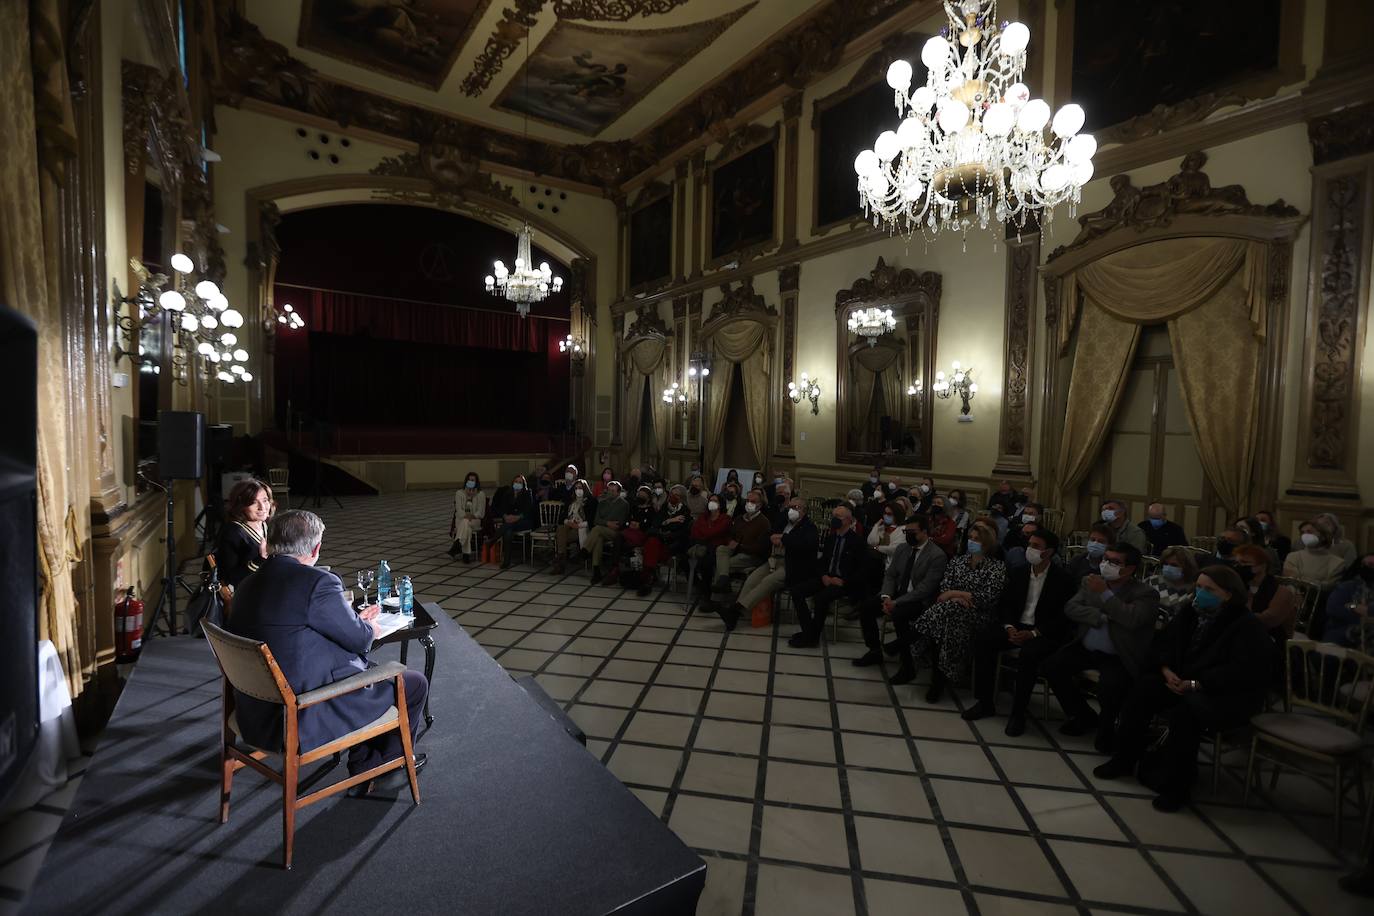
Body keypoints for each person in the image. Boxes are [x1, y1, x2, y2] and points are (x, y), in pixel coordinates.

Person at [227, 510, 428, 793]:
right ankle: (384, 766)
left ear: (270, 544)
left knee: (362, 670)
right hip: (300, 715)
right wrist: (370, 627)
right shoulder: (318, 582)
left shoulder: (246, 585)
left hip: (254, 713)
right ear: (316, 548)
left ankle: (364, 757)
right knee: (412, 683)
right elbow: (359, 639)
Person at [1093, 565, 1272, 811]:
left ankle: (1177, 787)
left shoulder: (1245, 624)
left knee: (1186, 715)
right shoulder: (1191, 611)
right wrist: (1166, 670)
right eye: (1198, 587)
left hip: (1221, 692)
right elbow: (1165, 644)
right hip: (1181, 679)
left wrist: (1197, 684)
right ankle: (1124, 758)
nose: (1201, 593)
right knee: (1143, 690)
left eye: (1209, 589)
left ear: (1228, 594)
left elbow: (1242, 671)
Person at [1042, 544, 1160, 753]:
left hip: (1119, 654)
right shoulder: (1091, 582)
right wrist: (1100, 617)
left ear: (1130, 569)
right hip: (1087, 647)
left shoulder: (1145, 593)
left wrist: (1105, 594)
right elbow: (1071, 608)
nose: (1107, 564)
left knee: (1110, 687)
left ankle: (1106, 732)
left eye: (1115, 562)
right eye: (1106, 559)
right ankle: (1082, 715)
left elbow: (1132, 619)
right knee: (1052, 666)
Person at [963, 528, 1076, 734]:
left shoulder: (1063, 579)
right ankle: (985, 701)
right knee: (984, 639)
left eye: (1036, 546)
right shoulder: (1018, 572)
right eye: (1029, 544)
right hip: (1016, 626)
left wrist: (1034, 633)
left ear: (1049, 552)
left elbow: (1063, 617)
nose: (1030, 549)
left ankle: (1018, 712)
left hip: (1042, 632)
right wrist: (1009, 626)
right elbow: (1005, 604)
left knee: (1029, 655)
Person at [910, 522, 1008, 702]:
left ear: (986, 543)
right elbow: (944, 587)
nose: (972, 541)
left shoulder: (997, 567)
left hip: (979, 615)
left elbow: (988, 597)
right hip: (950, 613)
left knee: (946, 616)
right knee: (947, 621)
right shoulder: (958, 561)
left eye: (977, 539)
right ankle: (938, 680)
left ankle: (917, 634)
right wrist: (954, 597)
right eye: (970, 538)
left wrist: (956, 594)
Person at [854, 514, 949, 684]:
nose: (909, 535)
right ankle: (875, 650)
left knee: (899, 615)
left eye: (913, 532)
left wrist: (895, 603)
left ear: (925, 532)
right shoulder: (902, 549)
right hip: (897, 594)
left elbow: (925, 589)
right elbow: (891, 575)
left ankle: (907, 667)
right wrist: (886, 597)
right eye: (906, 531)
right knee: (866, 606)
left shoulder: (937, 555)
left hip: (919, 601)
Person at [714, 496, 819, 631]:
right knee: (752, 579)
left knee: (768, 581)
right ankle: (736, 613)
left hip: (793, 565)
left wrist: (784, 538)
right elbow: (768, 535)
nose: (791, 510)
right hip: (774, 560)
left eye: (796, 507)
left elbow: (806, 544)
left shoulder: (809, 527)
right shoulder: (783, 522)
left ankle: (735, 611)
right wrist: (771, 537)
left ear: (804, 511)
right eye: (790, 507)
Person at [788, 505, 864, 648]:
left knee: (820, 598)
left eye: (838, 517)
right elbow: (821, 562)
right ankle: (809, 631)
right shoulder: (831, 538)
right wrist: (823, 575)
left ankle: (812, 637)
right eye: (833, 516)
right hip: (827, 577)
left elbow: (861, 570)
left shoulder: (857, 541)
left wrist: (843, 581)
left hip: (843, 582)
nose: (834, 520)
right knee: (797, 591)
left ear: (848, 520)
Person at [710, 488, 772, 594]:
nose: (749, 504)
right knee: (721, 549)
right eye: (747, 501)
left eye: (753, 502)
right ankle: (724, 580)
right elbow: (730, 534)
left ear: (760, 505)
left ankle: (716, 598)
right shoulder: (740, 518)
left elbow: (761, 548)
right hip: (736, 550)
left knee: (722, 565)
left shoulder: (764, 523)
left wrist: (740, 546)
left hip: (751, 555)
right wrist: (731, 542)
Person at [215, 478, 274, 588]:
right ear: (240, 506)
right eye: (253, 502)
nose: (262, 507)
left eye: (265, 500)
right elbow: (229, 578)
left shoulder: (265, 525)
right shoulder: (232, 533)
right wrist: (260, 559)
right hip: (243, 593)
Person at [1234, 544, 1297, 643]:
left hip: (1271, 638)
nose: (1239, 566)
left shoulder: (1282, 592)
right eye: (1237, 562)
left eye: (1244, 562)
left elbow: (1269, 620)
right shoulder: (1238, 585)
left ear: (1262, 565)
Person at [1322, 553, 1374, 647]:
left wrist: (1353, 606)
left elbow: (1369, 610)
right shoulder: (1347, 586)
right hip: (1343, 629)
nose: (1366, 567)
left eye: (1371, 565)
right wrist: (1354, 606)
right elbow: (1333, 608)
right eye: (1364, 564)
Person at [584, 479, 629, 582]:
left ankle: (585, 550)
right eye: (609, 490)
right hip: (602, 530)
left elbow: (619, 524)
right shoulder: (602, 503)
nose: (611, 493)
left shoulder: (624, 504)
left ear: (618, 492)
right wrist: (608, 523)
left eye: (613, 491)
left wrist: (604, 522)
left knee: (597, 529)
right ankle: (596, 571)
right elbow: (596, 520)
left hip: (615, 533)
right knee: (598, 537)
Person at [1282, 519, 1347, 589]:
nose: (1305, 535)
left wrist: (1300, 578)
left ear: (1323, 536)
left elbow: (1327, 588)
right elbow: (1291, 583)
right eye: (1302, 532)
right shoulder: (1292, 556)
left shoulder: (1338, 563)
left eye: (1309, 532)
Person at [687, 496, 733, 592]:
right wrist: (706, 533)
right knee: (684, 560)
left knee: (706, 561)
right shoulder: (703, 517)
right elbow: (694, 532)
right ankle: (699, 584)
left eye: (715, 501)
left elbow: (714, 532)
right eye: (710, 500)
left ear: (720, 504)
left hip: (716, 548)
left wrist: (704, 532)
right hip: (701, 545)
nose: (712, 502)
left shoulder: (725, 518)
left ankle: (707, 590)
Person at [551, 478, 596, 574]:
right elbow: (562, 517)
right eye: (576, 488)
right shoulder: (570, 501)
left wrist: (579, 525)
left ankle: (560, 560)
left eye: (580, 488)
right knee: (561, 528)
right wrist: (569, 522)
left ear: (585, 489)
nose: (578, 490)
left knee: (561, 537)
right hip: (570, 526)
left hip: (583, 527)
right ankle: (561, 558)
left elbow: (592, 520)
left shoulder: (591, 501)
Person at [491, 474, 536, 569]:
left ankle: (493, 540)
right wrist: (505, 516)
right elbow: (502, 509)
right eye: (516, 482)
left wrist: (518, 517)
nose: (518, 484)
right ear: (513, 483)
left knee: (508, 526)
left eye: (520, 482)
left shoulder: (527, 493)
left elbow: (529, 510)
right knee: (508, 531)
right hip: (509, 521)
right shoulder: (508, 494)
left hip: (524, 521)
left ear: (523, 484)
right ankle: (506, 561)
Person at [1145, 546, 1199, 623]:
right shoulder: (1152, 581)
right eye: (1166, 564)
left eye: (1174, 565)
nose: (1168, 568)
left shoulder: (1194, 590)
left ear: (1187, 567)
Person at [448, 472, 487, 563]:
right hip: (461, 520)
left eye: (473, 480)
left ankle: (458, 544)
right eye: (469, 480)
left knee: (466, 523)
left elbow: (481, 512)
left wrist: (473, 498)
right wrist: (467, 497)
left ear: (476, 482)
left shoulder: (481, 494)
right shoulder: (459, 493)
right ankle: (466, 554)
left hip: (475, 520)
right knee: (466, 526)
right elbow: (459, 510)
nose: (471, 481)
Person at [655, 484, 693, 558]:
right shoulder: (664, 507)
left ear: (682, 498)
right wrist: (670, 520)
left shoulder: (685, 511)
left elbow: (680, 528)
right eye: (671, 494)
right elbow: (657, 522)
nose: (673, 496)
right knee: (652, 542)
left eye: (676, 495)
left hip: (676, 538)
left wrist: (665, 523)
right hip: (661, 535)